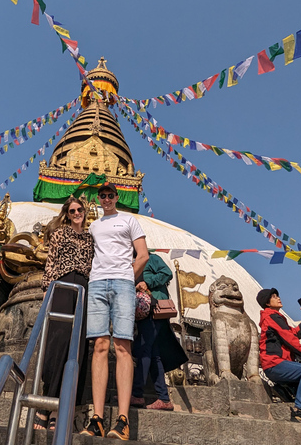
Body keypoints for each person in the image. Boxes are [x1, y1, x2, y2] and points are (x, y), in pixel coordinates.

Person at [81, 182, 149, 440]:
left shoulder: (129, 220)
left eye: (110, 195)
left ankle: (122, 419)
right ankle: (97, 418)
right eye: (103, 195)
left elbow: (142, 255)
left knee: (122, 346)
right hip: (97, 282)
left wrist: (126, 277)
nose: (106, 198)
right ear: (98, 199)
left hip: (122, 284)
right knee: (99, 345)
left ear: (117, 197)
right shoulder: (93, 225)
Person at [34, 196, 94, 431]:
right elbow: (51, 261)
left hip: (84, 288)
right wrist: (48, 289)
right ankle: (45, 402)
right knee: (57, 341)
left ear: (85, 212)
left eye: (80, 210)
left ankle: (61, 406)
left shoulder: (91, 238)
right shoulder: (60, 233)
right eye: (72, 211)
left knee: (77, 346)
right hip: (62, 285)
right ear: (67, 214)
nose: (76, 213)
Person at [256, 287, 301, 425]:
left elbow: (294, 333)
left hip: (280, 363)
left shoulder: (276, 318)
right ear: (267, 303)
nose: (278, 298)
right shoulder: (271, 316)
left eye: (277, 295)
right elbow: (290, 339)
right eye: (274, 296)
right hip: (274, 363)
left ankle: (285, 388)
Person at [130, 254, 187, 411]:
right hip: (141, 311)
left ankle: (136, 394)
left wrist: (146, 282)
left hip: (154, 308)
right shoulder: (128, 262)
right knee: (153, 354)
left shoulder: (150, 258)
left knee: (144, 349)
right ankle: (164, 398)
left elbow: (166, 272)